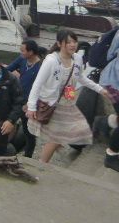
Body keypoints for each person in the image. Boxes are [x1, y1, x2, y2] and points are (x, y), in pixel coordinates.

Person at [26, 29, 109, 163]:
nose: (72, 45)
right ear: (59, 44)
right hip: (51, 103)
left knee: (68, 131)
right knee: (56, 137)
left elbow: (81, 77)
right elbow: (37, 84)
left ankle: (55, 149)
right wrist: (31, 107)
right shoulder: (51, 61)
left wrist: (100, 89)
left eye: (74, 41)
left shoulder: (77, 58)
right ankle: (42, 164)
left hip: (67, 101)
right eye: (68, 42)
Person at [6, 39, 42, 157]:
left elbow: (41, 89)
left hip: (29, 103)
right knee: (8, 120)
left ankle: (28, 156)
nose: (21, 53)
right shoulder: (22, 60)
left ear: (31, 52)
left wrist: (31, 105)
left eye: (23, 51)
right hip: (18, 98)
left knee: (28, 132)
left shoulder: (40, 67)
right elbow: (8, 69)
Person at [99, 28, 119, 172]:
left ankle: (103, 123)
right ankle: (111, 155)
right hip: (114, 82)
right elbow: (110, 54)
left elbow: (110, 54)